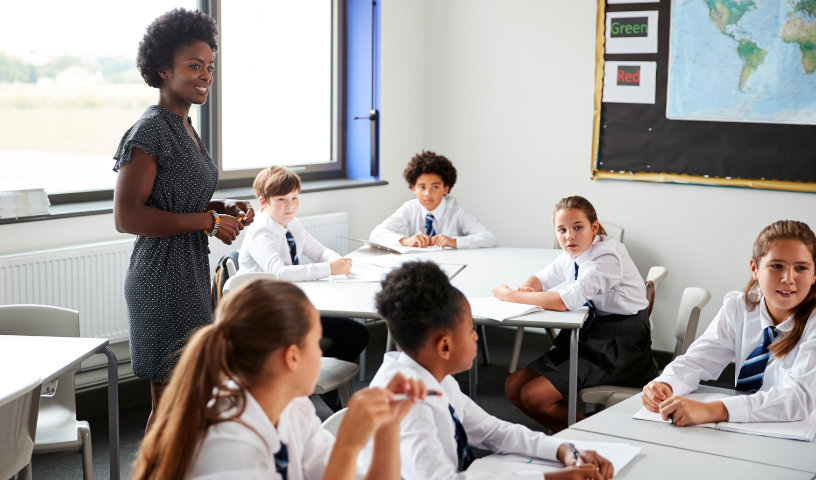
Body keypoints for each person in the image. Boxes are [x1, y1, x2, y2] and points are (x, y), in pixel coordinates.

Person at [113, 7, 254, 433]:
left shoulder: (186, 127)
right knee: (171, 408)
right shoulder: (151, 130)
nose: (206, 75)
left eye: (209, 66)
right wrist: (207, 223)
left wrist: (219, 209)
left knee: (189, 402)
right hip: (161, 280)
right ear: (162, 70)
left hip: (188, 274)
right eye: (194, 66)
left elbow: (175, 199)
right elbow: (127, 215)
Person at [131, 279, 426, 480]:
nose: (320, 351)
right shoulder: (227, 448)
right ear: (292, 356)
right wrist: (348, 444)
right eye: (316, 341)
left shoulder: (291, 407)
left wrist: (389, 424)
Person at [362, 261, 614, 480]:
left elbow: (491, 431)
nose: (475, 337)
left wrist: (562, 449)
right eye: (471, 330)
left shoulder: (435, 378)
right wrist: (546, 478)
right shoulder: (407, 404)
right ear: (445, 346)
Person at [495, 196, 657, 433]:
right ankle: (575, 433)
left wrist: (509, 295)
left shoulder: (608, 256)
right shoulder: (572, 253)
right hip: (589, 334)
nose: (569, 235)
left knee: (533, 395)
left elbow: (564, 302)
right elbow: (542, 278)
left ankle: (594, 437)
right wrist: (525, 289)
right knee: (513, 386)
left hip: (621, 344)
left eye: (577, 227)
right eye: (562, 230)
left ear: (593, 228)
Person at [642, 220, 816, 426]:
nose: (788, 278)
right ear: (755, 268)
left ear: (814, 274)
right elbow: (698, 360)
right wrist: (665, 384)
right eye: (777, 266)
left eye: (801, 268)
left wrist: (714, 409)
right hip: (744, 428)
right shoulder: (739, 307)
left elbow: (798, 398)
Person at [238, 165, 369, 411]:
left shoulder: (291, 223)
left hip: (290, 306)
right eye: (282, 199)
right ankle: (309, 390)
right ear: (263, 202)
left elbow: (318, 250)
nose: (290, 205)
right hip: (267, 314)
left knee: (357, 333)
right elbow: (279, 274)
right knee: (349, 334)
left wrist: (336, 260)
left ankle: (317, 387)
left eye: (295, 198)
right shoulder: (261, 232)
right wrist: (330, 269)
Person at [369, 150, 498, 249]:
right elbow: (376, 234)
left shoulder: (458, 210)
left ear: (446, 189)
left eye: (435, 187)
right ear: (414, 189)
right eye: (422, 187)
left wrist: (454, 242)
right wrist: (405, 241)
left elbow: (490, 239)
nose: (428, 194)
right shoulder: (410, 208)